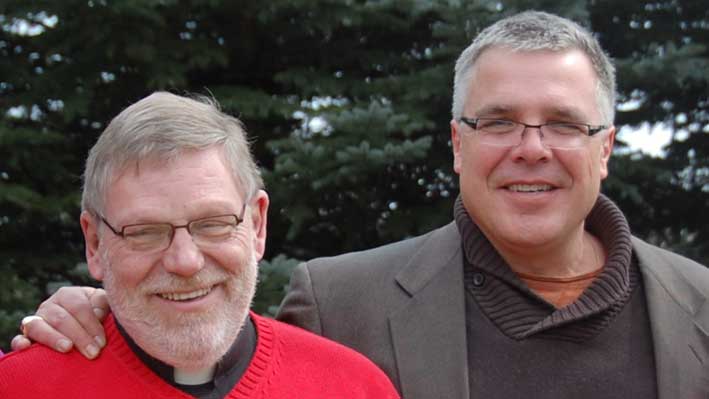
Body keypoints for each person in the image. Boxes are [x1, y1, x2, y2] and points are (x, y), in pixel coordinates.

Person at [11, 11, 709, 398]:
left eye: (560, 122)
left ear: (606, 146)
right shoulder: (342, 302)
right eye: (496, 121)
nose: (530, 147)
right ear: (456, 143)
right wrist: (105, 301)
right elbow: (212, 339)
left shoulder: (699, 306)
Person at [0, 92, 399, 398]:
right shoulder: (17, 388)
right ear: (94, 242)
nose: (185, 261)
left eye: (213, 224)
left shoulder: (354, 388)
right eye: (144, 232)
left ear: (257, 225)